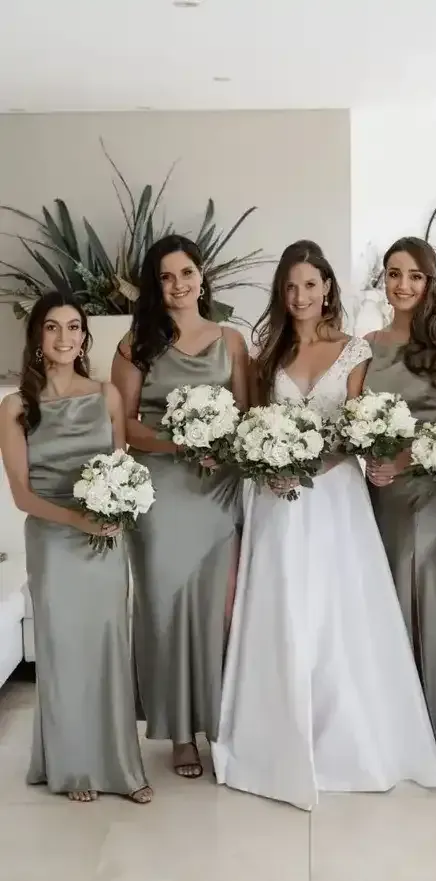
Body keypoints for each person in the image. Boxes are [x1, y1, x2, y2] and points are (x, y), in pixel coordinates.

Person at [212, 242, 436, 810]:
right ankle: (274, 739)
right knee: (283, 608)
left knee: (338, 613)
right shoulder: (266, 353)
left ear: (327, 289)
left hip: (336, 497)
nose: (300, 298)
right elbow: (248, 425)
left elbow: (358, 427)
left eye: (310, 286)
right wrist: (271, 464)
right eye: (290, 288)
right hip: (277, 500)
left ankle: (346, 741)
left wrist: (316, 459)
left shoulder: (353, 351)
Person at [0, 292, 151, 804]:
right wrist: (77, 517)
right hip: (52, 537)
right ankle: (73, 769)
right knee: (63, 650)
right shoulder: (17, 406)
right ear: (37, 338)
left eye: (73, 327)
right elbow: (22, 494)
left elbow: (120, 470)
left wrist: (115, 514)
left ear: (85, 336)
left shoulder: (107, 394)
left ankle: (121, 767)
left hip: (104, 539)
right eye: (52, 328)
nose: (64, 338)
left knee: (110, 647)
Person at [111, 235, 249, 779]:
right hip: (161, 493)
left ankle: (219, 721)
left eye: (186, 272)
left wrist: (221, 445)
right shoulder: (135, 344)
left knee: (217, 611)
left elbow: (248, 413)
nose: (178, 285)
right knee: (166, 608)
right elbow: (121, 424)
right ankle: (180, 734)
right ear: (155, 285)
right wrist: (176, 444)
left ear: (201, 274)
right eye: (165, 277)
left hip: (219, 490)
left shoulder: (231, 341)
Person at [364, 237, 436, 759]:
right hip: (377, 495)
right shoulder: (368, 343)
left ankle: (434, 732)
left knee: (427, 602)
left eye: (413, 275)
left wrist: (405, 460)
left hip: (429, 493)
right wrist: (371, 461)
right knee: (385, 604)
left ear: (430, 281)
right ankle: (393, 728)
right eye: (393, 273)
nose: (402, 285)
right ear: (383, 280)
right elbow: (355, 422)